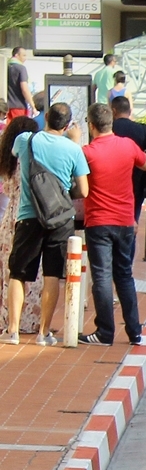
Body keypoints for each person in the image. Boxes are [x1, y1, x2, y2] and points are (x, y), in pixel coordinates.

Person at [4, 102, 88, 346]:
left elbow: (13, 155)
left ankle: (13, 331)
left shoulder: (26, 140)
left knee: (18, 273)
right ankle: (43, 333)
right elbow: (83, 189)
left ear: (47, 118)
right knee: (52, 274)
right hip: (60, 219)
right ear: (68, 124)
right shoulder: (74, 150)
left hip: (29, 216)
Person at [79, 103, 146, 346]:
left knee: (101, 276)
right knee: (124, 275)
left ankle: (105, 332)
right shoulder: (128, 146)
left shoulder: (87, 152)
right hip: (124, 220)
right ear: (111, 122)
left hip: (98, 221)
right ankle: (135, 331)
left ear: (91, 126)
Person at [0, 116, 42, 335]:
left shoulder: (6, 160)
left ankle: (7, 319)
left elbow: (6, 189)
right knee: (31, 270)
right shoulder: (32, 159)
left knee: (9, 270)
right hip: (29, 215)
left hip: (9, 219)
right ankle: (29, 320)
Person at [111, 96, 146, 223]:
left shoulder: (108, 129)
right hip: (137, 183)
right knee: (132, 222)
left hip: (113, 182)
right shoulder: (142, 129)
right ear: (129, 111)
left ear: (113, 111)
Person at [6, 47, 35, 123]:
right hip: (19, 106)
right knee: (19, 130)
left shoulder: (4, 67)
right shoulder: (21, 68)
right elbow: (24, 89)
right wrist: (33, 106)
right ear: (16, 55)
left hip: (5, 107)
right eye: (24, 55)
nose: (25, 58)